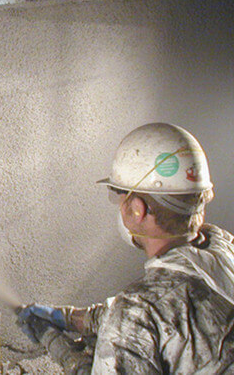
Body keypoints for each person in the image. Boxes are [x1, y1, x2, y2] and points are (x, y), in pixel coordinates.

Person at [17, 122, 234, 374]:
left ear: (136, 208)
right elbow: (163, 312)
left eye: (119, 197)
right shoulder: (222, 246)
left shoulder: (137, 313)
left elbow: (142, 316)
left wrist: (70, 359)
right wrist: (70, 317)